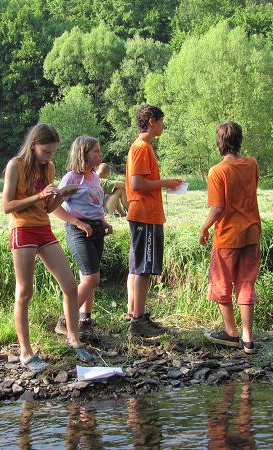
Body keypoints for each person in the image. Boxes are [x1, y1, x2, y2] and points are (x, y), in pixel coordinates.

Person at [2, 123, 92, 372]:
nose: (49, 157)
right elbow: (7, 206)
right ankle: (26, 352)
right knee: (25, 291)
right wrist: (39, 195)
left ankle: (74, 340)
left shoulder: (48, 167)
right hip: (22, 229)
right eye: (46, 152)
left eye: (52, 152)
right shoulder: (15, 165)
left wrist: (61, 194)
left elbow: (48, 207)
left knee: (70, 285)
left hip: (43, 228)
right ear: (33, 145)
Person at [200, 121, 261, 354]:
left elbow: (218, 208)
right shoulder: (252, 164)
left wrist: (204, 228)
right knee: (246, 283)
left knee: (221, 283)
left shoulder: (218, 171)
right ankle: (248, 339)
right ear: (239, 140)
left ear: (220, 143)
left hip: (227, 236)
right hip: (252, 232)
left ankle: (231, 333)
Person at [125, 104, 183, 337]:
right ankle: (138, 321)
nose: (163, 125)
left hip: (144, 215)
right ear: (151, 121)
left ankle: (134, 314)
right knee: (144, 268)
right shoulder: (142, 148)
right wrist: (165, 183)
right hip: (145, 215)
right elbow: (137, 183)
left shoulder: (143, 147)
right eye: (161, 120)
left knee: (137, 267)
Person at [53, 136, 113, 339]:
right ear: (83, 153)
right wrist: (78, 223)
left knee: (89, 276)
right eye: (96, 151)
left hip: (96, 229)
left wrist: (103, 221)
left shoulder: (94, 176)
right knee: (91, 278)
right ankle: (64, 321)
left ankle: (84, 319)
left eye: (99, 150)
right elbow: (54, 207)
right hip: (79, 231)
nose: (100, 154)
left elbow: (95, 203)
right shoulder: (71, 178)